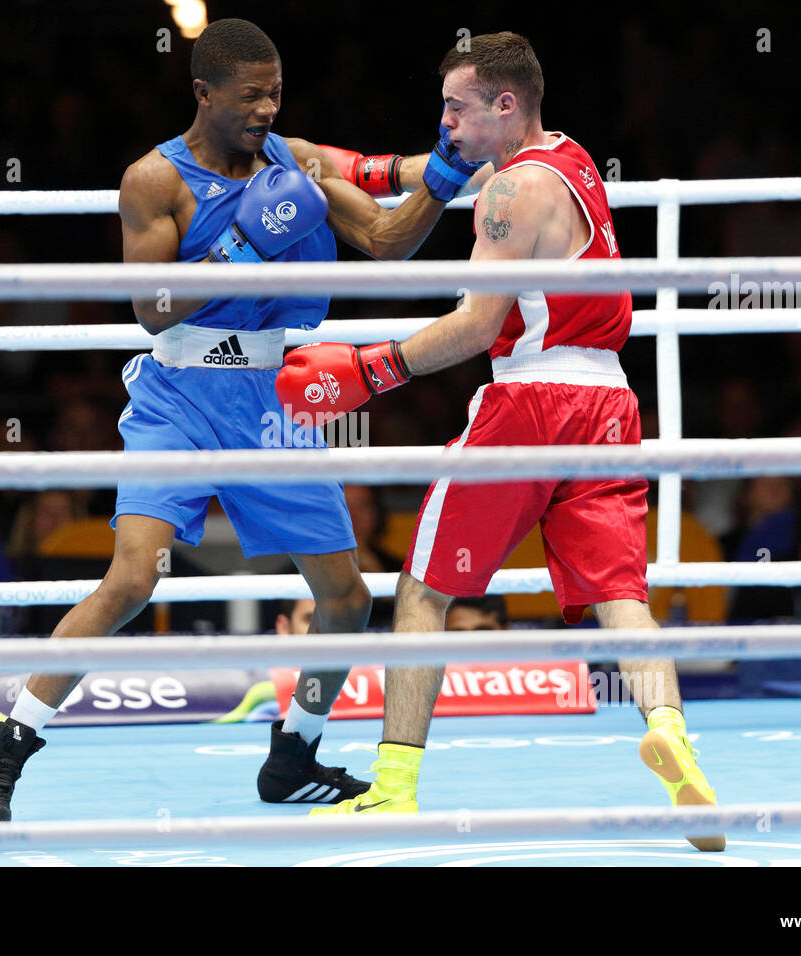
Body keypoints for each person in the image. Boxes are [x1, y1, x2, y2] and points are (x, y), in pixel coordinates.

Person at [0, 18, 485, 821]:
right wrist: (243, 243)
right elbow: (150, 307)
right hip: (178, 396)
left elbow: (386, 238)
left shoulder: (297, 163)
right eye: (251, 95)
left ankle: (293, 757)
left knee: (346, 601)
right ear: (203, 93)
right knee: (133, 578)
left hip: (272, 402)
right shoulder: (153, 181)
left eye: (276, 92)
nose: (268, 109)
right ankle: (3, 755)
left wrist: (447, 173)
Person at [280, 32, 724, 851]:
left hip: (528, 404)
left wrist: (372, 369)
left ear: (506, 104)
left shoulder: (511, 193)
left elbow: (477, 325)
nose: (445, 118)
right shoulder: (570, 160)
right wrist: (330, 161)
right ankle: (676, 742)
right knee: (621, 597)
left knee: (423, 590)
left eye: (458, 106)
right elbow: (422, 170)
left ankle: (393, 790)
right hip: (610, 405)